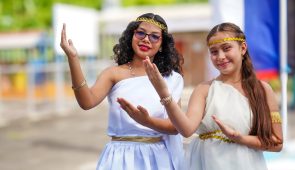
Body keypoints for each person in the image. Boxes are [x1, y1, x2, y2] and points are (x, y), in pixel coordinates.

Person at [119, 22, 283, 170]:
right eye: (214, 52)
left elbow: (276, 143)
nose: (220, 57)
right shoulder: (204, 89)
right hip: (207, 163)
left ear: (243, 48)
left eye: (226, 49)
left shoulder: (263, 90)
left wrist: (240, 138)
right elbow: (187, 129)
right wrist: (164, 94)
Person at [60, 13, 184, 170]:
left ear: (162, 45)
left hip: (157, 158)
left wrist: (147, 121)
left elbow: (176, 127)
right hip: (119, 157)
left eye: (154, 37)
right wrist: (73, 58)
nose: (146, 39)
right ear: (131, 36)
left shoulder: (172, 78)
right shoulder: (113, 73)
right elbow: (86, 102)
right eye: (140, 33)